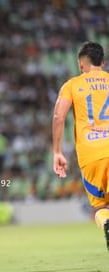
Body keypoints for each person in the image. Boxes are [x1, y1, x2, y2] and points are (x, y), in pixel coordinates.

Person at [52, 41, 109, 250]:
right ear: (102, 62)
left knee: (101, 207)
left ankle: (106, 224)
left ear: (80, 64)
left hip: (90, 154)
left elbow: (59, 117)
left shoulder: (72, 85)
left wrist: (57, 151)